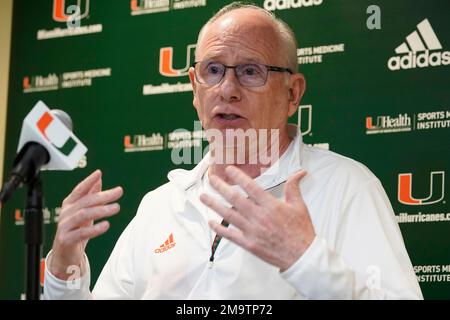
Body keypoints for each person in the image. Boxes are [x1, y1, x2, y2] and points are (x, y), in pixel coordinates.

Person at [44, 2, 423, 299]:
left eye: (250, 71)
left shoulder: (346, 187)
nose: (227, 89)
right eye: (213, 71)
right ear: (195, 88)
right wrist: (63, 266)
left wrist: (306, 261)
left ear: (293, 93)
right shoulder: (161, 205)